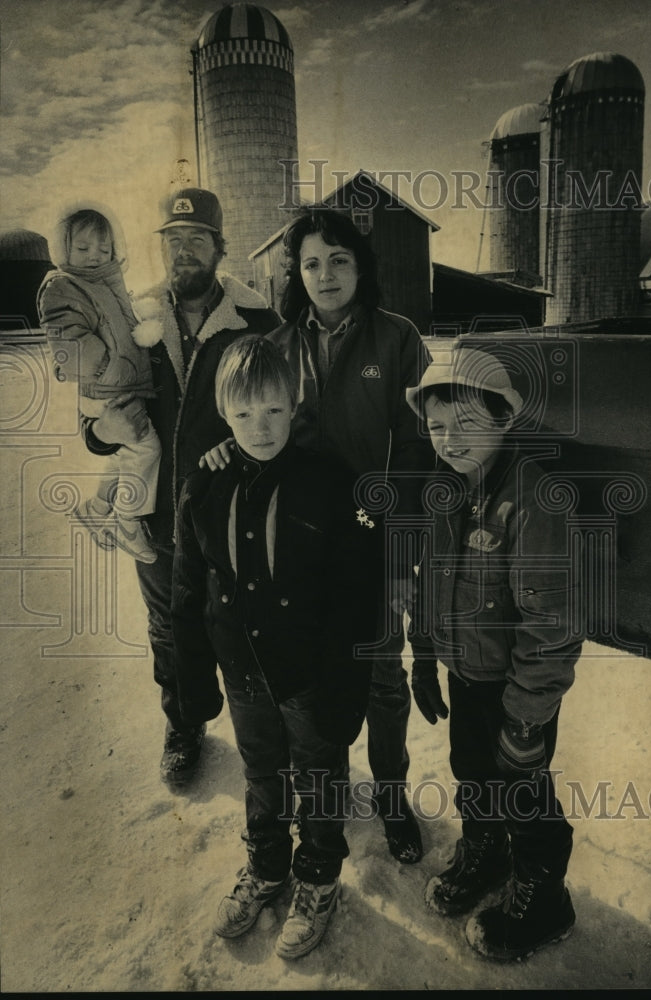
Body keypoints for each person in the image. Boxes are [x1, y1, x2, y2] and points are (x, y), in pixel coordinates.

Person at [202, 207, 434, 863]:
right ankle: (321, 797)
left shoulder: (396, 339)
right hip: (299, 552)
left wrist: (400, 537)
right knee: (311, 679)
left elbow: (417, 446)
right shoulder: (276, 346)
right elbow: (251, 425)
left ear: (360, 266)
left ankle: (390, 793)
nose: (324, 274)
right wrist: (224, 455)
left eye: (338, 260)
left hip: (374, 541)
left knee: (382, 677)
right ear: (295, 273)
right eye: (310, 263)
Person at [172, 335, 378, 960]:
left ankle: (318, 876)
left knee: (318, 773)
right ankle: (267, 865)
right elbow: (187, 589)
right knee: (261, 771)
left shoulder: (330, 482)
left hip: (310, 673)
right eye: (242, 415)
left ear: (295, 405)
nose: (259, 428)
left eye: (273, 412)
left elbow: (355, 596)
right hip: (244, 672)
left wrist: (347, 683)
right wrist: (194, 678)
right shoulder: (203, 488)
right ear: (223, 412)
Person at [81, 188, 279, 783]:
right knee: (168, 627)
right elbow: (93, 415)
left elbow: (283, 414)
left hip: (227, 514)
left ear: (220, 247)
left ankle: (263, 733)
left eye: (197, 239)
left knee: (240, 623)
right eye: (174, 240)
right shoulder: (129, 318)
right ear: (161, 246)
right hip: (153, 514)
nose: (184, 250)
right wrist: (100, 428)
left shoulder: (257, 323)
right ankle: (184, 723)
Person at [404, 344, 584, 962]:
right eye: (437, 427)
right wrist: (424, 657)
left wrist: (526, 717)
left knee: (523, 791)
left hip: (517, 691)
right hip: (465, 673)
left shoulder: (532, 500)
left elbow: (552, 623)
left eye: (466, 424)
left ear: (503, 420)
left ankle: (544, 892)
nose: (450, 440)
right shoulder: (443, 488)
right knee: (473, 772)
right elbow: (429, 580)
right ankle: (487, 848)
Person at [37, 203, 162, 564]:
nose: (95, 257)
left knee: (125, 454)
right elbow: (70, 344)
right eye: (83, 248)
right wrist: (113, 369)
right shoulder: (61, 287)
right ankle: (127, 520)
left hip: (118, 385)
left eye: (103, 249)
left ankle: (96, 508)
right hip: (106, 390)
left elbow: (119, 326)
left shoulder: (108, 281)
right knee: (145, 449)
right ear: (64, 248)